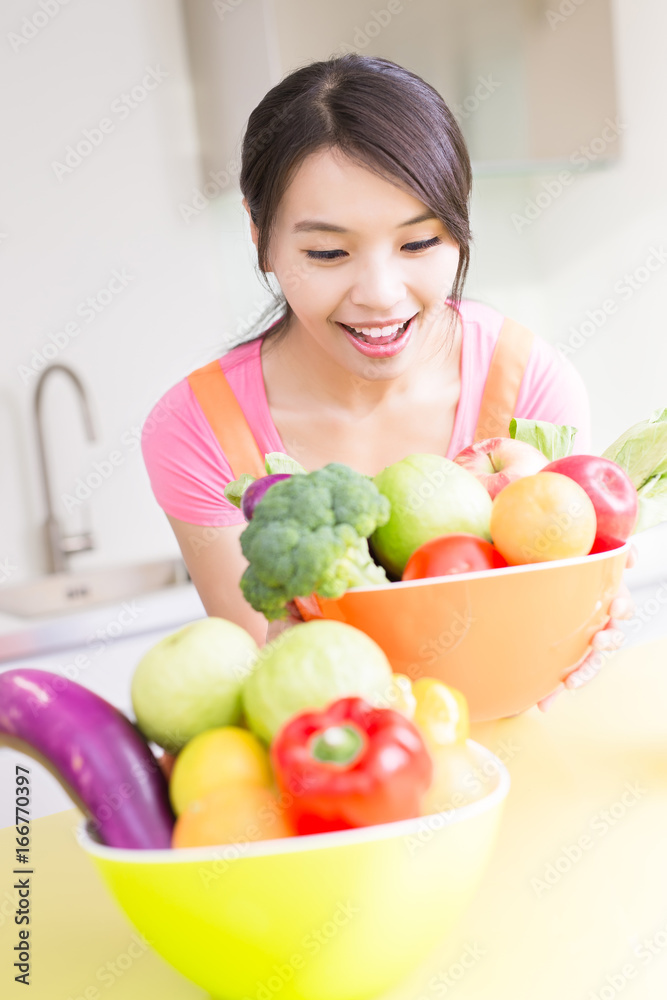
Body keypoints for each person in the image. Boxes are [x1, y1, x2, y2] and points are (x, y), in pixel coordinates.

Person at [141, 54, 634, 711]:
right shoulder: (199, 429)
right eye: (326, 252)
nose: (379, 294)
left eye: (418, 243)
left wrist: (584, 611)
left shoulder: (524, 384)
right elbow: (280, 679)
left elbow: (547, 635)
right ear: (260, 238)